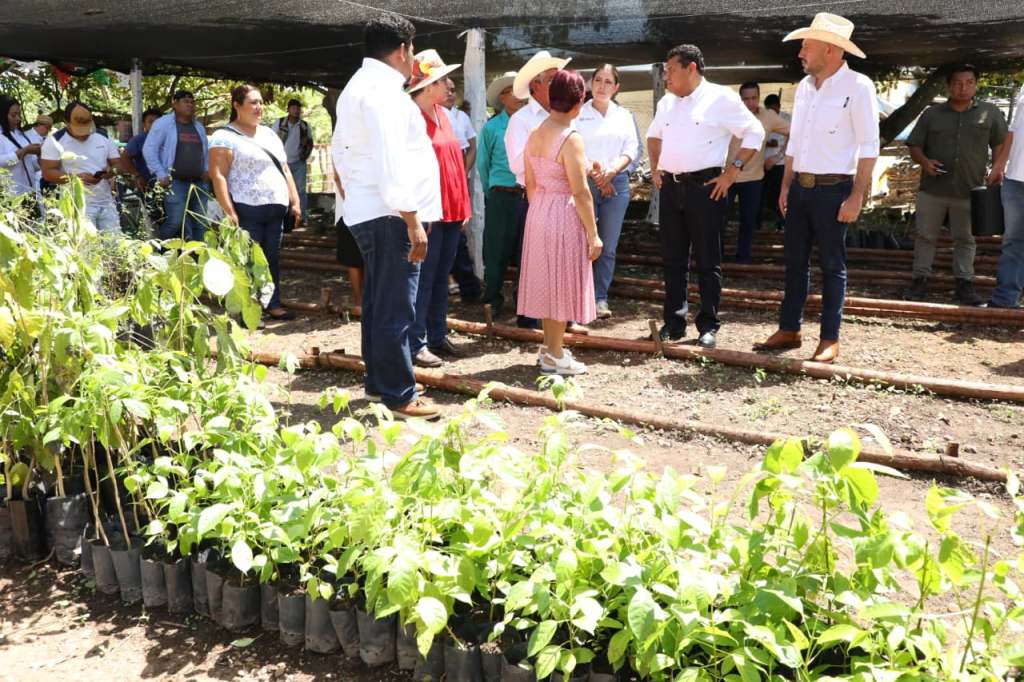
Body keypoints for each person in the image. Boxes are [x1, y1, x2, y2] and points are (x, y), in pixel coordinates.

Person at [754, 13, 880, 364]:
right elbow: (795, 141)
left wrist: (856, 195)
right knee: (794, 262)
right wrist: (785, 184)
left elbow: (870, 147)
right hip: (800, 189)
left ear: (830, 48)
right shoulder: (806, 87)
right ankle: (789, 328)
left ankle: (829, 338)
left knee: (831, 264)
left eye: (806, 45)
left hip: (834, 190)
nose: (801, 52)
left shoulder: (859, 87)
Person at [334, 13, 442, 420]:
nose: (411, 58)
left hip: (371, 209)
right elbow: (391, 161)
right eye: (412, 50)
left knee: (380, 303)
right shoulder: (384, 93)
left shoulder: (357, 88)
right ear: (402, 50)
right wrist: (412, 219)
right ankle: (399, 393)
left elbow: (341, 151)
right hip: (390, 213)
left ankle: (381, 384)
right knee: (396, 306)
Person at [647, 44, 764, 348]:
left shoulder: (720, 98)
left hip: (706, 188)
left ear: (691, 68)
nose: (666, 75)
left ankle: (708, 325)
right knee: (672, 258)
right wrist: (655, 167)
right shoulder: (667, 103)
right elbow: (653, 135)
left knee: (708, 260)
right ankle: (674, 323)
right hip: (671, 188)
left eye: (671, 69)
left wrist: (732, 172)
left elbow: (754, 133)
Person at [518, 70, 602, 375]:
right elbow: (580, 192)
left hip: (538, 210)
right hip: (563, 213)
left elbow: (530, 182)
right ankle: (553, 353)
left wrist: (541, 209)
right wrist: (594, 234)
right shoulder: (571, 138)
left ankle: (551, 349)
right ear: (578, 104)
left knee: (547, 283)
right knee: (561, 284)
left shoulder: (535, 133)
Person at [903, 65, 1008, 305]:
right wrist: (925, 161)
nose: (964, 87)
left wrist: (998, 166)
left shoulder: (990, 113)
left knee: (965, 239)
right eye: (958, 83)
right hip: (933, 189)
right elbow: (914, 145)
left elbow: (1001, 141)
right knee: (925, 236)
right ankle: (920, 281)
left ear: (976, 84)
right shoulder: (931, 114)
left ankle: (964, 285)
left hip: (970, 190)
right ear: (949, 86)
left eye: (969, 82)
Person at [208, 84, 301, 322]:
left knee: (271, 258)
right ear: (237, 105)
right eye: (253, 102)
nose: (258, 107)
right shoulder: (224, 137)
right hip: (246, 206)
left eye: (260, 102)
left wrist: (295, 200)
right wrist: (228, 210)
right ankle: (249, 311)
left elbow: (285, 169)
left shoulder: (269, 134)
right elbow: (218, 175)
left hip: (275, 206)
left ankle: (272, 303)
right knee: (248, 260)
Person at [406, 51, 472, 369]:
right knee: (424, 278)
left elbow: (455, 163)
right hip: (428, 212)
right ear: (428, 84)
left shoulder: (442, 114)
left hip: (452, 209)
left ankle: (437, 334)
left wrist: (464, 206)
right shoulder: (410, 117)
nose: (448, 85)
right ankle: (417, 342)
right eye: (443, 80)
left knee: (441, 276)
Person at [505, 50, 572, 330]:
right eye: (552, 79)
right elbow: (515, 164)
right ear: (536, 85)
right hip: (535, 197)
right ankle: (530, 319)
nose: (558, 84)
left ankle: (561, 318)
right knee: (534, 262)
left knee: (562, 259)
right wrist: (549, 153)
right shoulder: (520, 121)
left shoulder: (567, 116)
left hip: (561, 196)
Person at [576, 64, 639, 319]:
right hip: (585, 183)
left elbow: (632, 148)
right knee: (583, 242)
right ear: (590, 84)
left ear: (616, 87)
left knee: (608, 244)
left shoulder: (624, 115)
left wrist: (611, 171)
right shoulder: (578, 113)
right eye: (598, 80)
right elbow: (573, 147)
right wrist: (596, 173)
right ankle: (579, 298)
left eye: (608, 82)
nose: (602, 86)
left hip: (617, 183)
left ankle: (600, 298)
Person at [478, 72, 527, 318]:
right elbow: (482, 164)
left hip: (528, 196)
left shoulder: (532, 123)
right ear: (502, 97)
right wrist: (492, 192)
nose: (520, 96)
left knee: (525, 251)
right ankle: (492, 299)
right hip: (501, 196)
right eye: (513, 91)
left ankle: (524, 300)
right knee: (495, 251)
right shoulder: (492, 127)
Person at [725, 82, 790, 263]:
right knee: (719, 220)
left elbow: (795, 133)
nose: (750, 102)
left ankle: (743, 259)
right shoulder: (729, 115)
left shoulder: (768, 117)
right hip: (727, 176)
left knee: (749, 221)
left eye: (754, 98)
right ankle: (717, 259)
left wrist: (778, 157)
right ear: (740, 99)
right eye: (746, 99)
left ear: (759, 98)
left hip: (754, 178)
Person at [40, 101, 128, 232]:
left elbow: (119, 164)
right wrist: (76, 178)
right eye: (78, 129)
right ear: (66, 123)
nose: (84, 134)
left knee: (116, 245)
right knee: (86, 249)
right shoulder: (54, 141)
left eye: (87, 128)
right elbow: (47, 173)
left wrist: (111, 171)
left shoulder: (103, 136)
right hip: (77, 205)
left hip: (105, 201)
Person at [143, 90, 210, 240]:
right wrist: (160, 173)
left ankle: (198, 257)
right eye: (186, 101)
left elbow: (205, 151)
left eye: (192, 102)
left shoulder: (198, 126)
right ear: (174, 103)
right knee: (175, 222)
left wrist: (206, 170)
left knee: (201, 223)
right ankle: (156, 252)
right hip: (175, 182)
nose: (190, 105)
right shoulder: (163, 123)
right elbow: (149, 149)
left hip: (198, 182)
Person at [443, 77, 483, 303]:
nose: (449, 93)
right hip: (444, 177)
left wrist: (462, 171)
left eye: (451, 90)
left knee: (458, 230)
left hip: (458, 175)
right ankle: (454, 281)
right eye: (445, 89)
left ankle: (466, 284)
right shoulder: (434, 114)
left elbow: (471, 146)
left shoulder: (460, 116)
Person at [985, 86, 1024, 309]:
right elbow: (1014, 130)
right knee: (1013, 243)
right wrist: (999, 165)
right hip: (1016, 178)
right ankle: (1004, 300)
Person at [272, 99, 314, 226]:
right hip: (282, 163)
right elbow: (271, 139)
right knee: (282, 190)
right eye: (293, 108)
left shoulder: (304, 126)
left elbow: (310, 143)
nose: (296, 111)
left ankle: (302, 217)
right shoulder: (279, 123)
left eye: (298, 108)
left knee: (301, 190)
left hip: (299, 162)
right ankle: (284, 218)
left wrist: (304, 156)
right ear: (288, 110)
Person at [0, 97, 42, 204]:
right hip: (11, 197)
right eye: (13, 115)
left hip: (30, 193)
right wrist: (25, 151)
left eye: (19, 114)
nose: (18, 119)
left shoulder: (19, 134)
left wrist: (40, 156)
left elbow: (30, 165)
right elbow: (2, 163)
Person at [762, 94, 790, 231]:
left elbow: (792, 140)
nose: (772, 113)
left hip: (780, 164)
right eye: (769, 110)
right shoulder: (763, 119)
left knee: (780, 195)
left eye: (774, 110)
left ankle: (783, 224)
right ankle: (761, 224)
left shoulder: (788, 119)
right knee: (764, 195)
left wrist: (777, 157)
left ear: (779, 106)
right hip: (763, 164)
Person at [124, 107, 163, 188]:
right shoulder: (137, 140)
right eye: (150, 122)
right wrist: (137, 175)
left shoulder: (169, 139)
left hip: (168, 184)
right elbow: (125, 159)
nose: (154, 125)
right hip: (147, 185)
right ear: (144, 124)